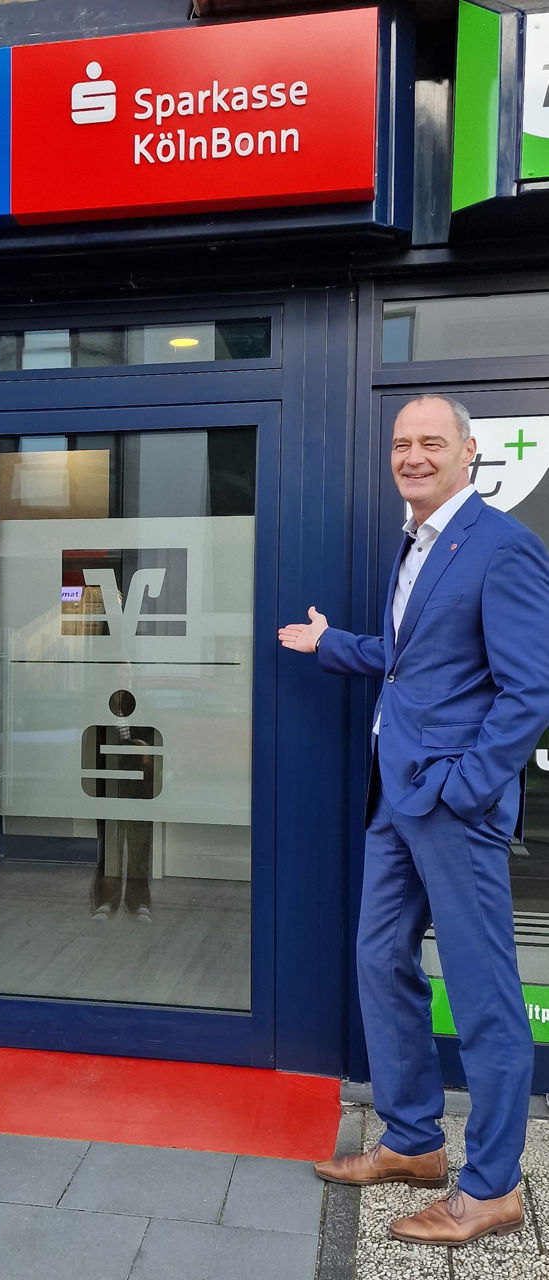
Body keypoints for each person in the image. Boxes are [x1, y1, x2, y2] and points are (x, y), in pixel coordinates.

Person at [278, 395, 549, 1246]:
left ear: (468, 452)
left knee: (481, 994)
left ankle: (492, 1186)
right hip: (395, 799)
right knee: (377, 958)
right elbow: (412, 663)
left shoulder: (500, 548)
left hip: (447, 805)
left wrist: (466, 788)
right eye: (401, 443)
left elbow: (527, 689)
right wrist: (332, 645)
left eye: (431, 442)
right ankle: (410, 1141)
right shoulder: (422, 540)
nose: (412, 455)